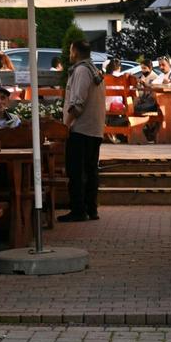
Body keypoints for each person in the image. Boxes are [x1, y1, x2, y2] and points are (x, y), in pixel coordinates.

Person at [60, 39, 106, 223]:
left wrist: (66, 125)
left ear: (75, 52)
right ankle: (91, 208)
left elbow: (77, 103)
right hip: (95, 128)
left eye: (71, 50)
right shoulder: (95, 71)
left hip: (80, 129)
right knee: (91, 170)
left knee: (76, 172)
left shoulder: (80, 71)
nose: (69, 54)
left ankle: (78, 210)